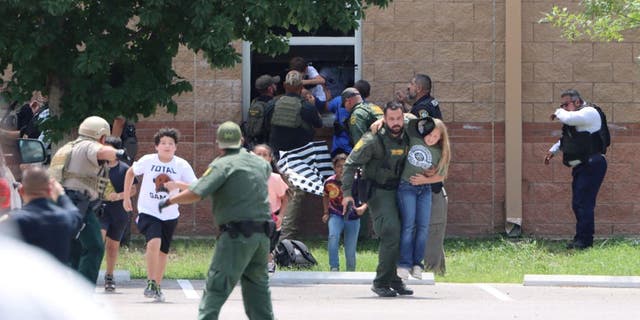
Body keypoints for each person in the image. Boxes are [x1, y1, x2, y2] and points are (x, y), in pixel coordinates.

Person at [160, 121, 274, 320]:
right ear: (242, 140)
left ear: (219, 144)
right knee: (258, 292)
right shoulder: (260, 163)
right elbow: (261, 175)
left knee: (217, 285)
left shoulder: (222, 164)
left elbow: (197, 193)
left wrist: (170, 200)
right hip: (262, 237)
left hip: (237, 236)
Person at [341, 101, 412, 297]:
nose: (396, 123)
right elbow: (350, 164)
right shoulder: (372, 139)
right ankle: (381, 282)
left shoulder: (409, 130)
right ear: (384, 119)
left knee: (404, 235)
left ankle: (395, 280)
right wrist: (347, 194)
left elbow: (428, 121)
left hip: (401, 190)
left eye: (399, 118)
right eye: (391, 119)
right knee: (391, 232)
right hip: (379, 192)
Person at [48, 115, 126, 284]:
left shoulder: (68, 147)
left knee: (75, 249)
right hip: (77, 203)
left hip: (63, 201)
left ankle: (70, 293)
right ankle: (84, 294)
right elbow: (101, 151)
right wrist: (118, 152)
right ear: (101, 136)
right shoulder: (88, 145)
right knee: (95, 247)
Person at [122, 128, 197, 302]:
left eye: (171, 144)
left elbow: (197, 186)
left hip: (170, 213)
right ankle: (150, 282)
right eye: (163, 143)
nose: (167, 146)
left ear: (176, 147)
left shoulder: (181, 165)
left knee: (163, 251)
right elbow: (130, 172)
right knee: (153, 243)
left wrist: (177, 184)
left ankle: (157, 285)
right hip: (148, 211)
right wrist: (126, 198)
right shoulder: (148, 161)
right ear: (156, 146)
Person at [544, 89, 608, 250]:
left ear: (577, 102)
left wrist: (558, 111)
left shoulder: (589, 112)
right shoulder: (576, 119)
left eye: (566, 104)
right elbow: (567, 137)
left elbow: (569, 119)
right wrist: (553, 151)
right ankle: (580, 238)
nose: (564, 108)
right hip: (583, 164)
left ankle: (585, 241)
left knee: (584, 203)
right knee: (578, 203)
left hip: (594, 163)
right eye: (562, 105)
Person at [399, 73, 448, 275]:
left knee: (431, 228)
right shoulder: (429, 104)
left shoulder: (422, 110)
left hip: (427, 181)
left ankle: (432, 270)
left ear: (419, 88)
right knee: (431, 229)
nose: (408, 87)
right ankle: (438, 270)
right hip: (429, 179)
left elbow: (422, 141)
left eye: (410, 85)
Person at [270, 70, 322, 240]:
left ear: (285, 86)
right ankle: (284, 238)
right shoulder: (306, 107)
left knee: (278, 194)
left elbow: (265, 126)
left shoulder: (273, 105)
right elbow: (319, 124)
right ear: (301, 87)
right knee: (294, 196)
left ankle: (276, 234)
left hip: (277, 158)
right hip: (299, 159)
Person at [5, 166, 82, 263]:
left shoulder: (12, 221)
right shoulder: (65, 218)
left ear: (21, 191)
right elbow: (75, 213)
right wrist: (60, 194)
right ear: (50, 191)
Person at [100, 136, 138, 292]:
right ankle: (89, 272)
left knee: (112, 246)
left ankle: (109, 276)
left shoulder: (124, 168)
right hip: (100, 210)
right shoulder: (97, 167)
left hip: (118, 211)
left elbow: (134, 189)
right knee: (98, 240)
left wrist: (120, 196)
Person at [322, 153, 367, 271]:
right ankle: (334, 266)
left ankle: (351, 270)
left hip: (353, 216)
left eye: (345, 166)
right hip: (335, 215)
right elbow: (325, 196)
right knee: (333, 236)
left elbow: (366, 196)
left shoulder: (356, 181)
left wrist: (363, 207)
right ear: (334, 167)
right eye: (339, 166)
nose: (342, 169)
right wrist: (326, 212)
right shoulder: (329, 182)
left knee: (350, 248)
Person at [253, 144, 288, 273]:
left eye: (265, 155)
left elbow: (285, 198)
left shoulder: (275, 178)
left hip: (271, 218)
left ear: (270, 159)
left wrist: (281, 215)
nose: (261, 157)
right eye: (258, 154)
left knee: (267, 245)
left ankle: (269, 261)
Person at [328, 80, 371, 156]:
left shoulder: (339, 100)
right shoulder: (367, 109)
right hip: (354, 151)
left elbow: (328, 107)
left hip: (339, 148)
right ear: (367, 95)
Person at [244, 74, 280, 147]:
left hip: (254, 143)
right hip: (267, 143)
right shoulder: (272, 104)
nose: (276, 86)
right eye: (274, 84)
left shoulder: (254, 102)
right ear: (270, 89)